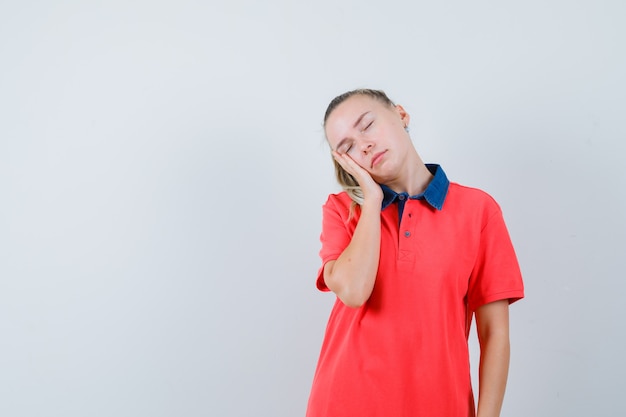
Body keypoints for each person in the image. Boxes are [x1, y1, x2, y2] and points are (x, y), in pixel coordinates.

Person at [306, 89, 524, 417]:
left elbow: (494, 333)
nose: (363, 145)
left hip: (439, 406)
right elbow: (353, 291)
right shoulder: (342, 211)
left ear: (401, 115)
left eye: (366, 125)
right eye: (347, 147)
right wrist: (372, 200)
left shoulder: (478, 211)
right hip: (342, 403)